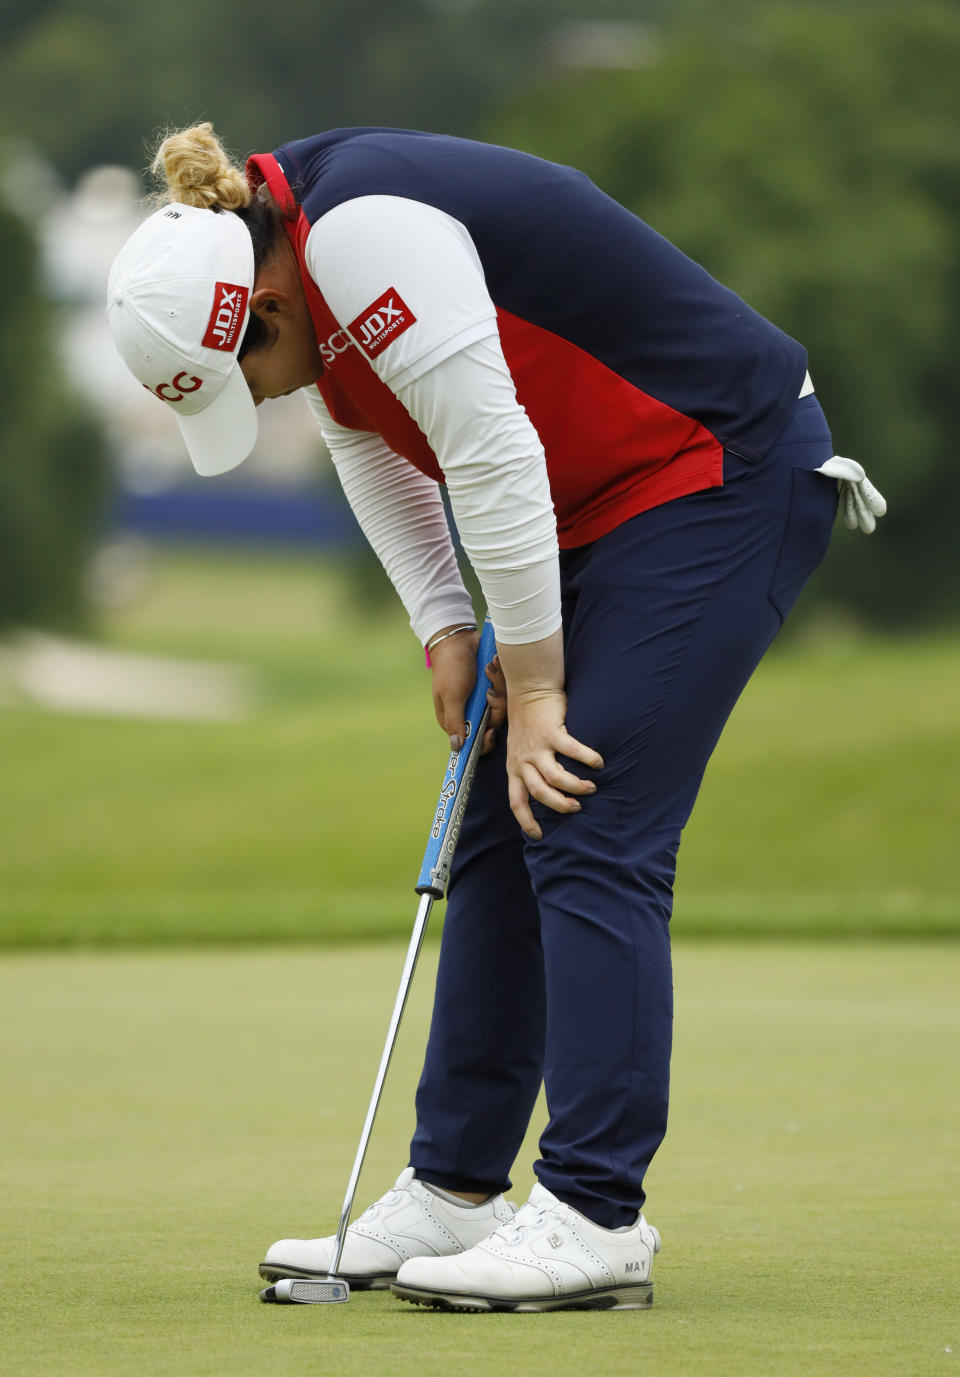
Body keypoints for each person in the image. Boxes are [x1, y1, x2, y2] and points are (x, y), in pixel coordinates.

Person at [107, 122, 885, 1313]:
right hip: (602, 504)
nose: (259, 399)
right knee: (494, 824)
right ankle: (455, 1187)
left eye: (244, 379)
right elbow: (374, 447)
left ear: (259, 309)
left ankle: (592, 1214)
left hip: (720, 467)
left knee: (582, 800)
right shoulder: (286, 269)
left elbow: (494, 460)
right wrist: (450, 631)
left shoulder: (362, 238)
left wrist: (543, 688)